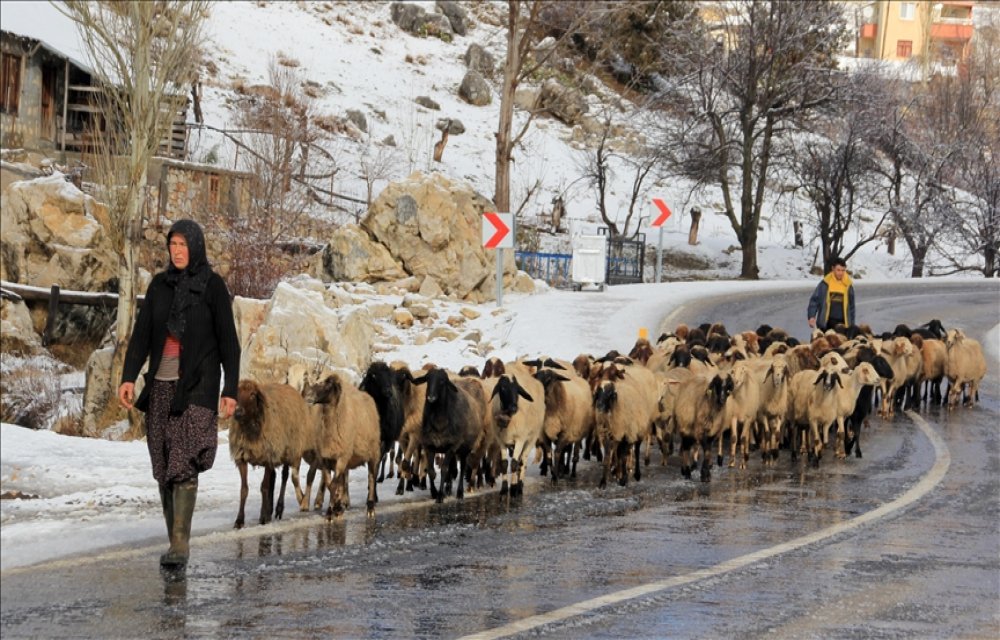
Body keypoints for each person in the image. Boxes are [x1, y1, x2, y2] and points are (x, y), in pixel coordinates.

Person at [118, 219, 240, 568]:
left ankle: (180, 544)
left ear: (196, 247)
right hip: (160, 385)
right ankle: (174, 538)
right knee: (163, 459)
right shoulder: (159, 286)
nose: (177, 251)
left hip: (198, 385)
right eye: (173, 245)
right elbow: (141, 336)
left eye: (184, 245)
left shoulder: (213, 287)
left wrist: (229, 388)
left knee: (184, 458)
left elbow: (229, 343)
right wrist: (129, 377)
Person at [807, 256, 855, 332]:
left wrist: (852, 325)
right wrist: (811, 316)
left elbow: (852, 307)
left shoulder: (848, 286)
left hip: (843, 325)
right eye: (838, 270)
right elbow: (814, 301)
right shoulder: (825, 284)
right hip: (826, 324)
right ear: (833, 269)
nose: (841, 273)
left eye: (843, 270)